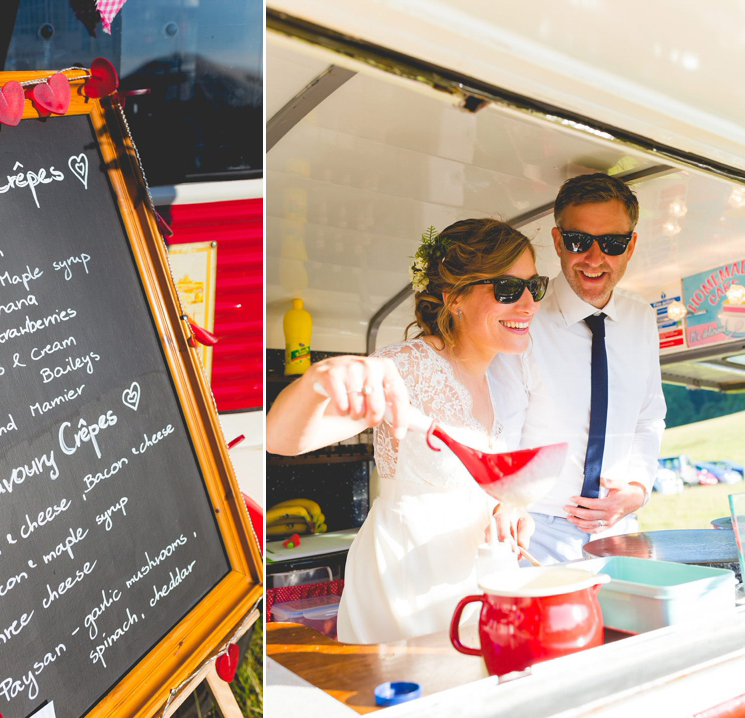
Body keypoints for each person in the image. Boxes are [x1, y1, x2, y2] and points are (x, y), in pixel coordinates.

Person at [266, 218, 548, 644]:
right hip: (406, 584)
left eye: (535, 286)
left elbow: (482, 481)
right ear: (455, 298)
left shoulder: (507, 372)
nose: (529, 304)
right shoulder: (406, 367)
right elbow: (282, 439)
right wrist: (319, 378)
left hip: (479, 578)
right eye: (509, 290)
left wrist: (504, 509)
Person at [493, 173, 666, 564]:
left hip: (619, 530)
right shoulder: (523, 318)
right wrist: (505, 504)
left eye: (612, 243)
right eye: (577, 241)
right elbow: (502, 429)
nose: (593, 258)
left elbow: (648, 419)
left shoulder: (642, 318)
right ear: (557, 242)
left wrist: (638, 489)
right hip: (533, 529)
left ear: (631, 245)